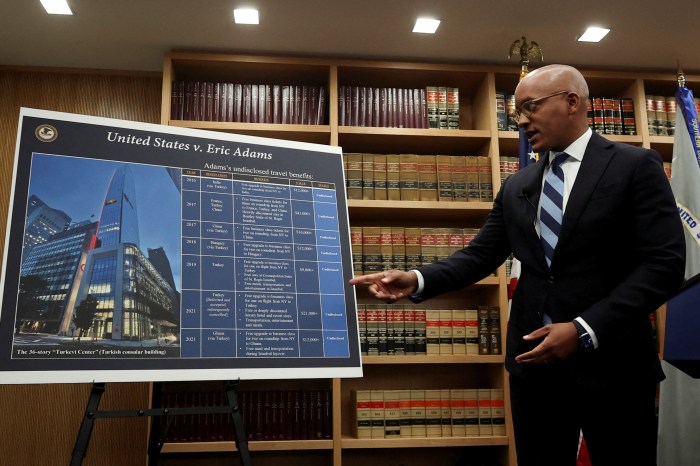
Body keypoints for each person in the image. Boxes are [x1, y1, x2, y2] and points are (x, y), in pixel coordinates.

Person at [349, 64, 686, 466]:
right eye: (517, 111)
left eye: (531, 107)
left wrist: (582, 330)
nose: (521, 120)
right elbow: (479, 256)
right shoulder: (517, 185)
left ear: (572, 102)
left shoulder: (635, 166)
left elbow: (663, 263)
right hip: (534, 370)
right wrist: (416, 279)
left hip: (614, 364)